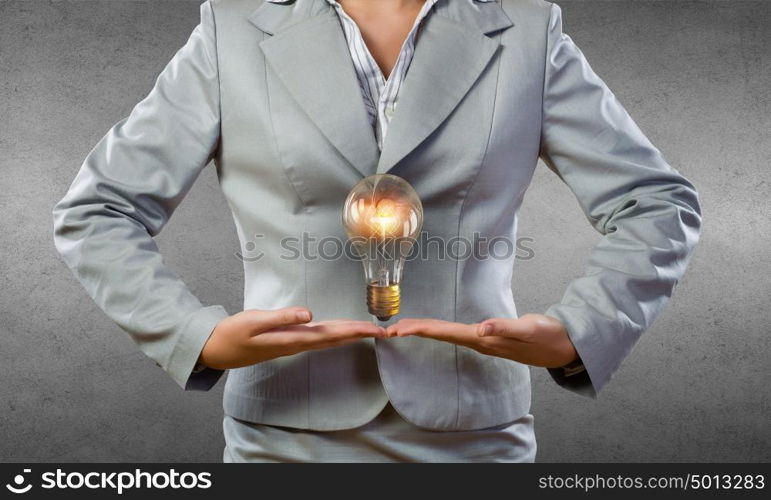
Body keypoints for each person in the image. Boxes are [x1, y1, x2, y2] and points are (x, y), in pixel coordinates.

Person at [52, 0, 701, 462]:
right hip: (285, 431)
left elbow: (655, 202)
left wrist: (580, 330)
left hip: (472, 429)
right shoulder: (231, 29)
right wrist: (195, 336)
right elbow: (98, 211)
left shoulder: (527, 29)